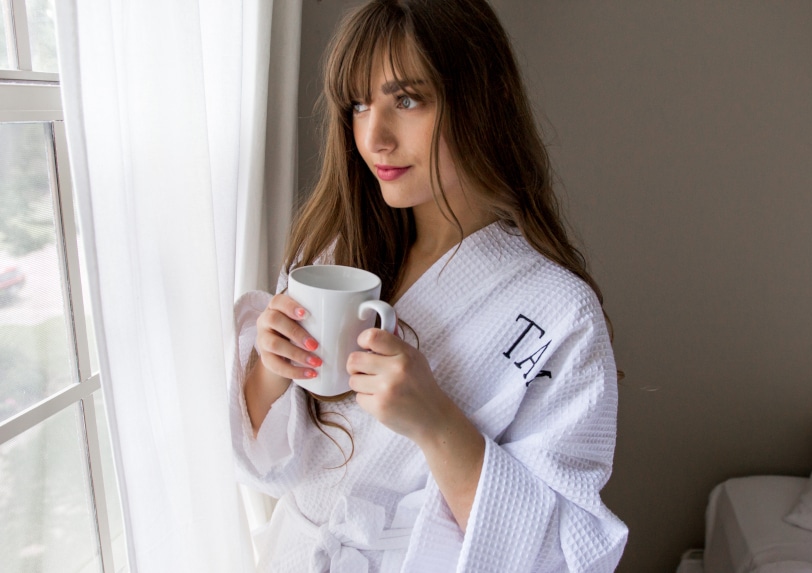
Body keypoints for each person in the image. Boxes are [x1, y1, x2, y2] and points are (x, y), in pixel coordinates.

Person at [230, 0, 628, 571]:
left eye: (407, 100)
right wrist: (272, 365)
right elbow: (266, 460)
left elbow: (565, 553)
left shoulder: (562, 312)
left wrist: (437, 423)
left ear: (486, 98)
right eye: (359, 104)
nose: (374, 138)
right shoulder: (336, 259)